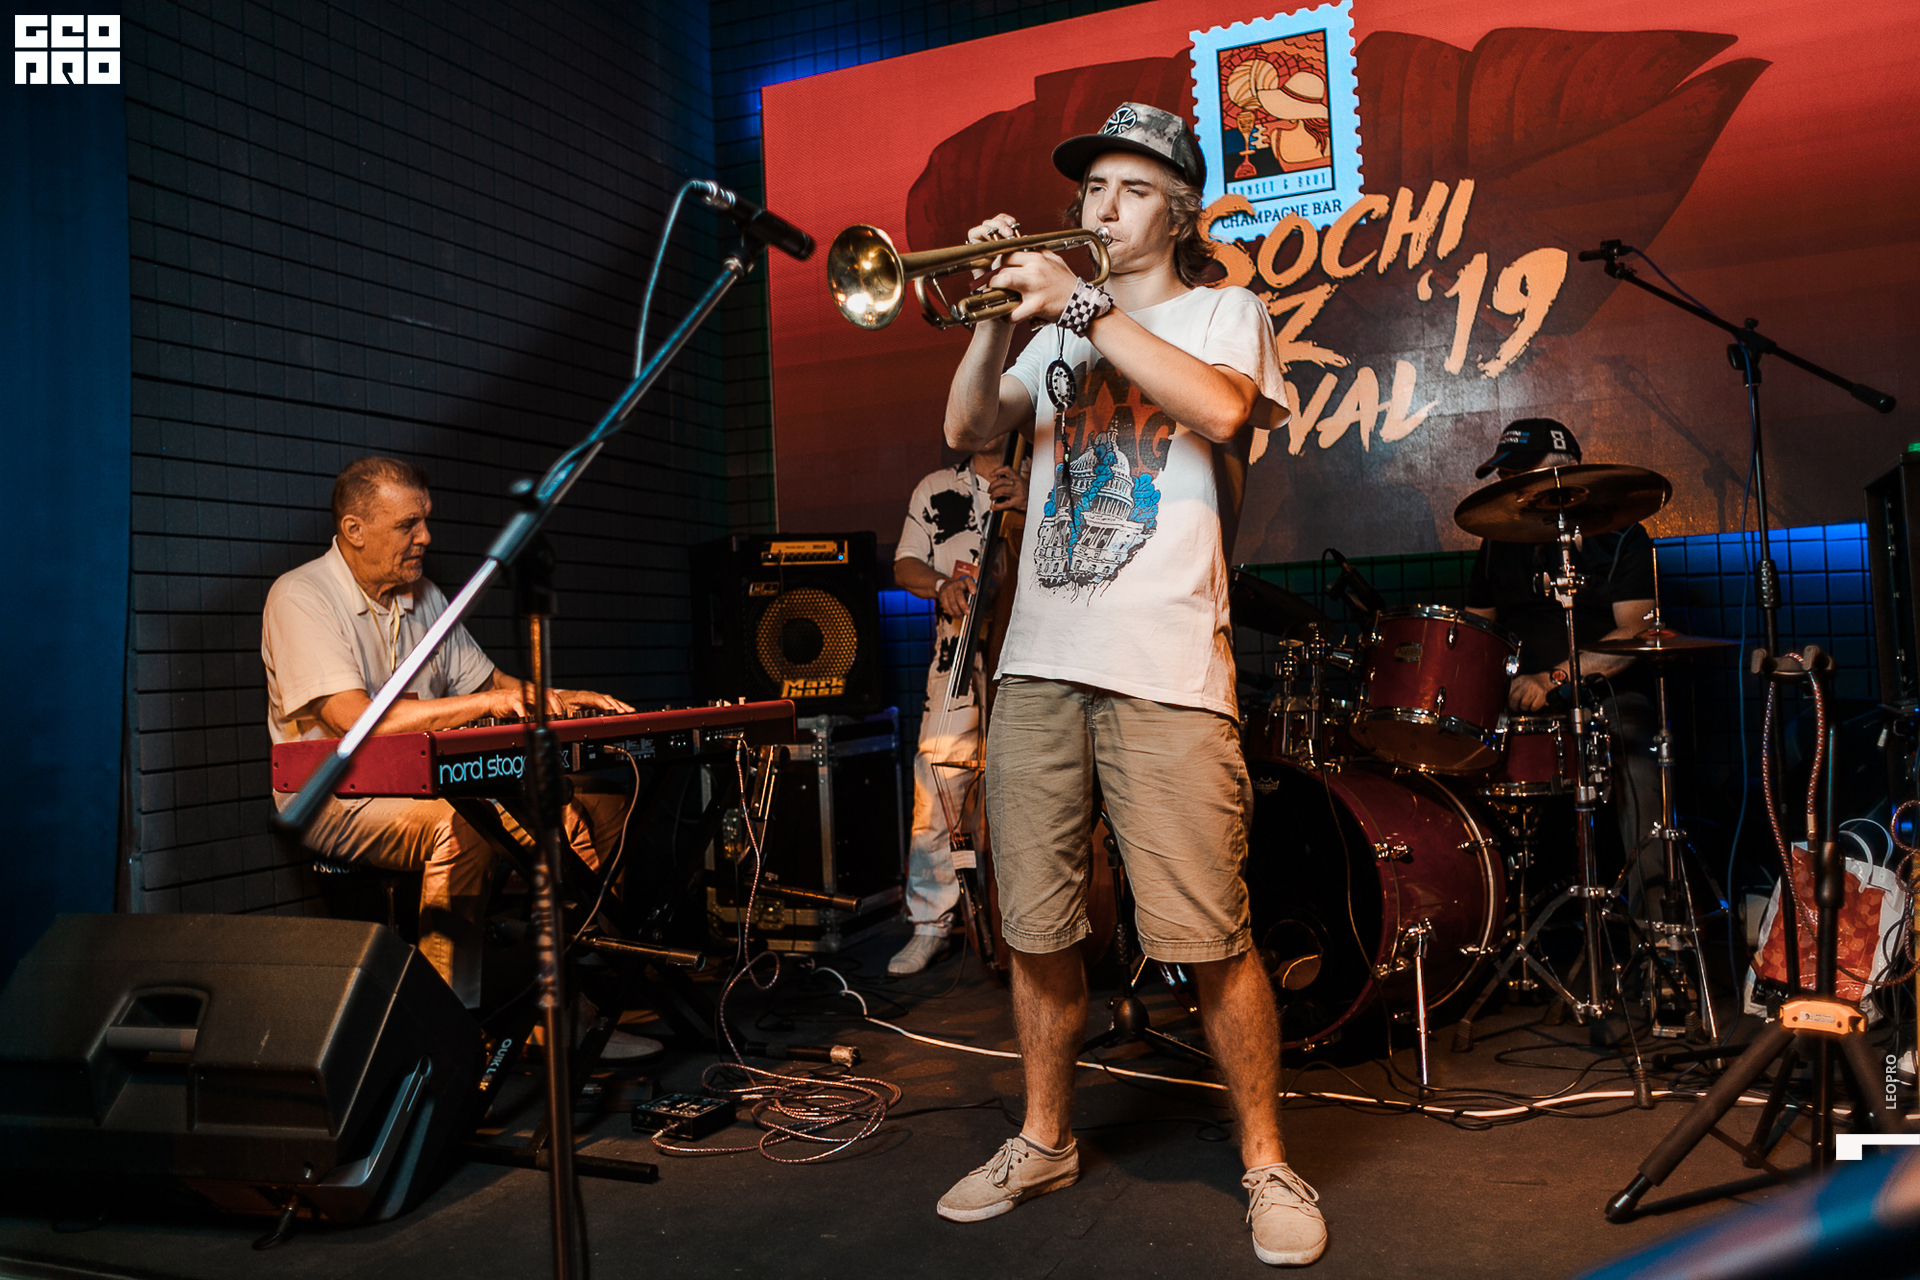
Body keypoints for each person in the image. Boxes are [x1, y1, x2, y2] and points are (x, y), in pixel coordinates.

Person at [935, 101, 1323, 1268]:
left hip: (1167, 670)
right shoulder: (1054, 327)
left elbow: (1222, 409)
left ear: (1180, 211)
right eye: (1094, 187)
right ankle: (1044, 1137)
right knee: (1037, 926)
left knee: (1209, 932)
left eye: (1134, 188)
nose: (1105, 205)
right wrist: (992, 321)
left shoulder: (1222, 311)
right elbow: (968, 427)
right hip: (1038, 666)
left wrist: (1082, 305)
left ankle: (1267, 1158)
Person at [262, 456, 633, 1008]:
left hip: (429, 785)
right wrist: (490, 702)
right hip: (335, 800)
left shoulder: (426, 595)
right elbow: (355, 719)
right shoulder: (301, 596)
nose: (426, 537)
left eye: (426, 520)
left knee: (602, 806)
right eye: (407, 524)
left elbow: (492, 683)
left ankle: (581, 1000)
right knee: (464, 828)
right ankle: (450, 1023)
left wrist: (555, 696)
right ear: (354, 530)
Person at [1462, 419, 1662, 910]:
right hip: (1519, 701)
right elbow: (1475, 632)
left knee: (1638, 752)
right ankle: (1491, 920)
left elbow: (1636, 630)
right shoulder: (1497, 543)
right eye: (1505, 476)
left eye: (1518, 475)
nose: (1508, 486)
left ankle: (1656, 928)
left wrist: (1554, 679)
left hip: (1604, 696)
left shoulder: (1621, 536)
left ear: (1564, 475)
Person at [888, 440, 1026, 976]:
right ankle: (931, 923)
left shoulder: (1043, 470)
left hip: (1032, 660)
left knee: (1029, 792)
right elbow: (904, 565)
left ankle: (1030, 923)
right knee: (937, 785)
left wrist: (1031, 497)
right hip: (958, 659)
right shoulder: (936, 488)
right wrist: (942, 584)